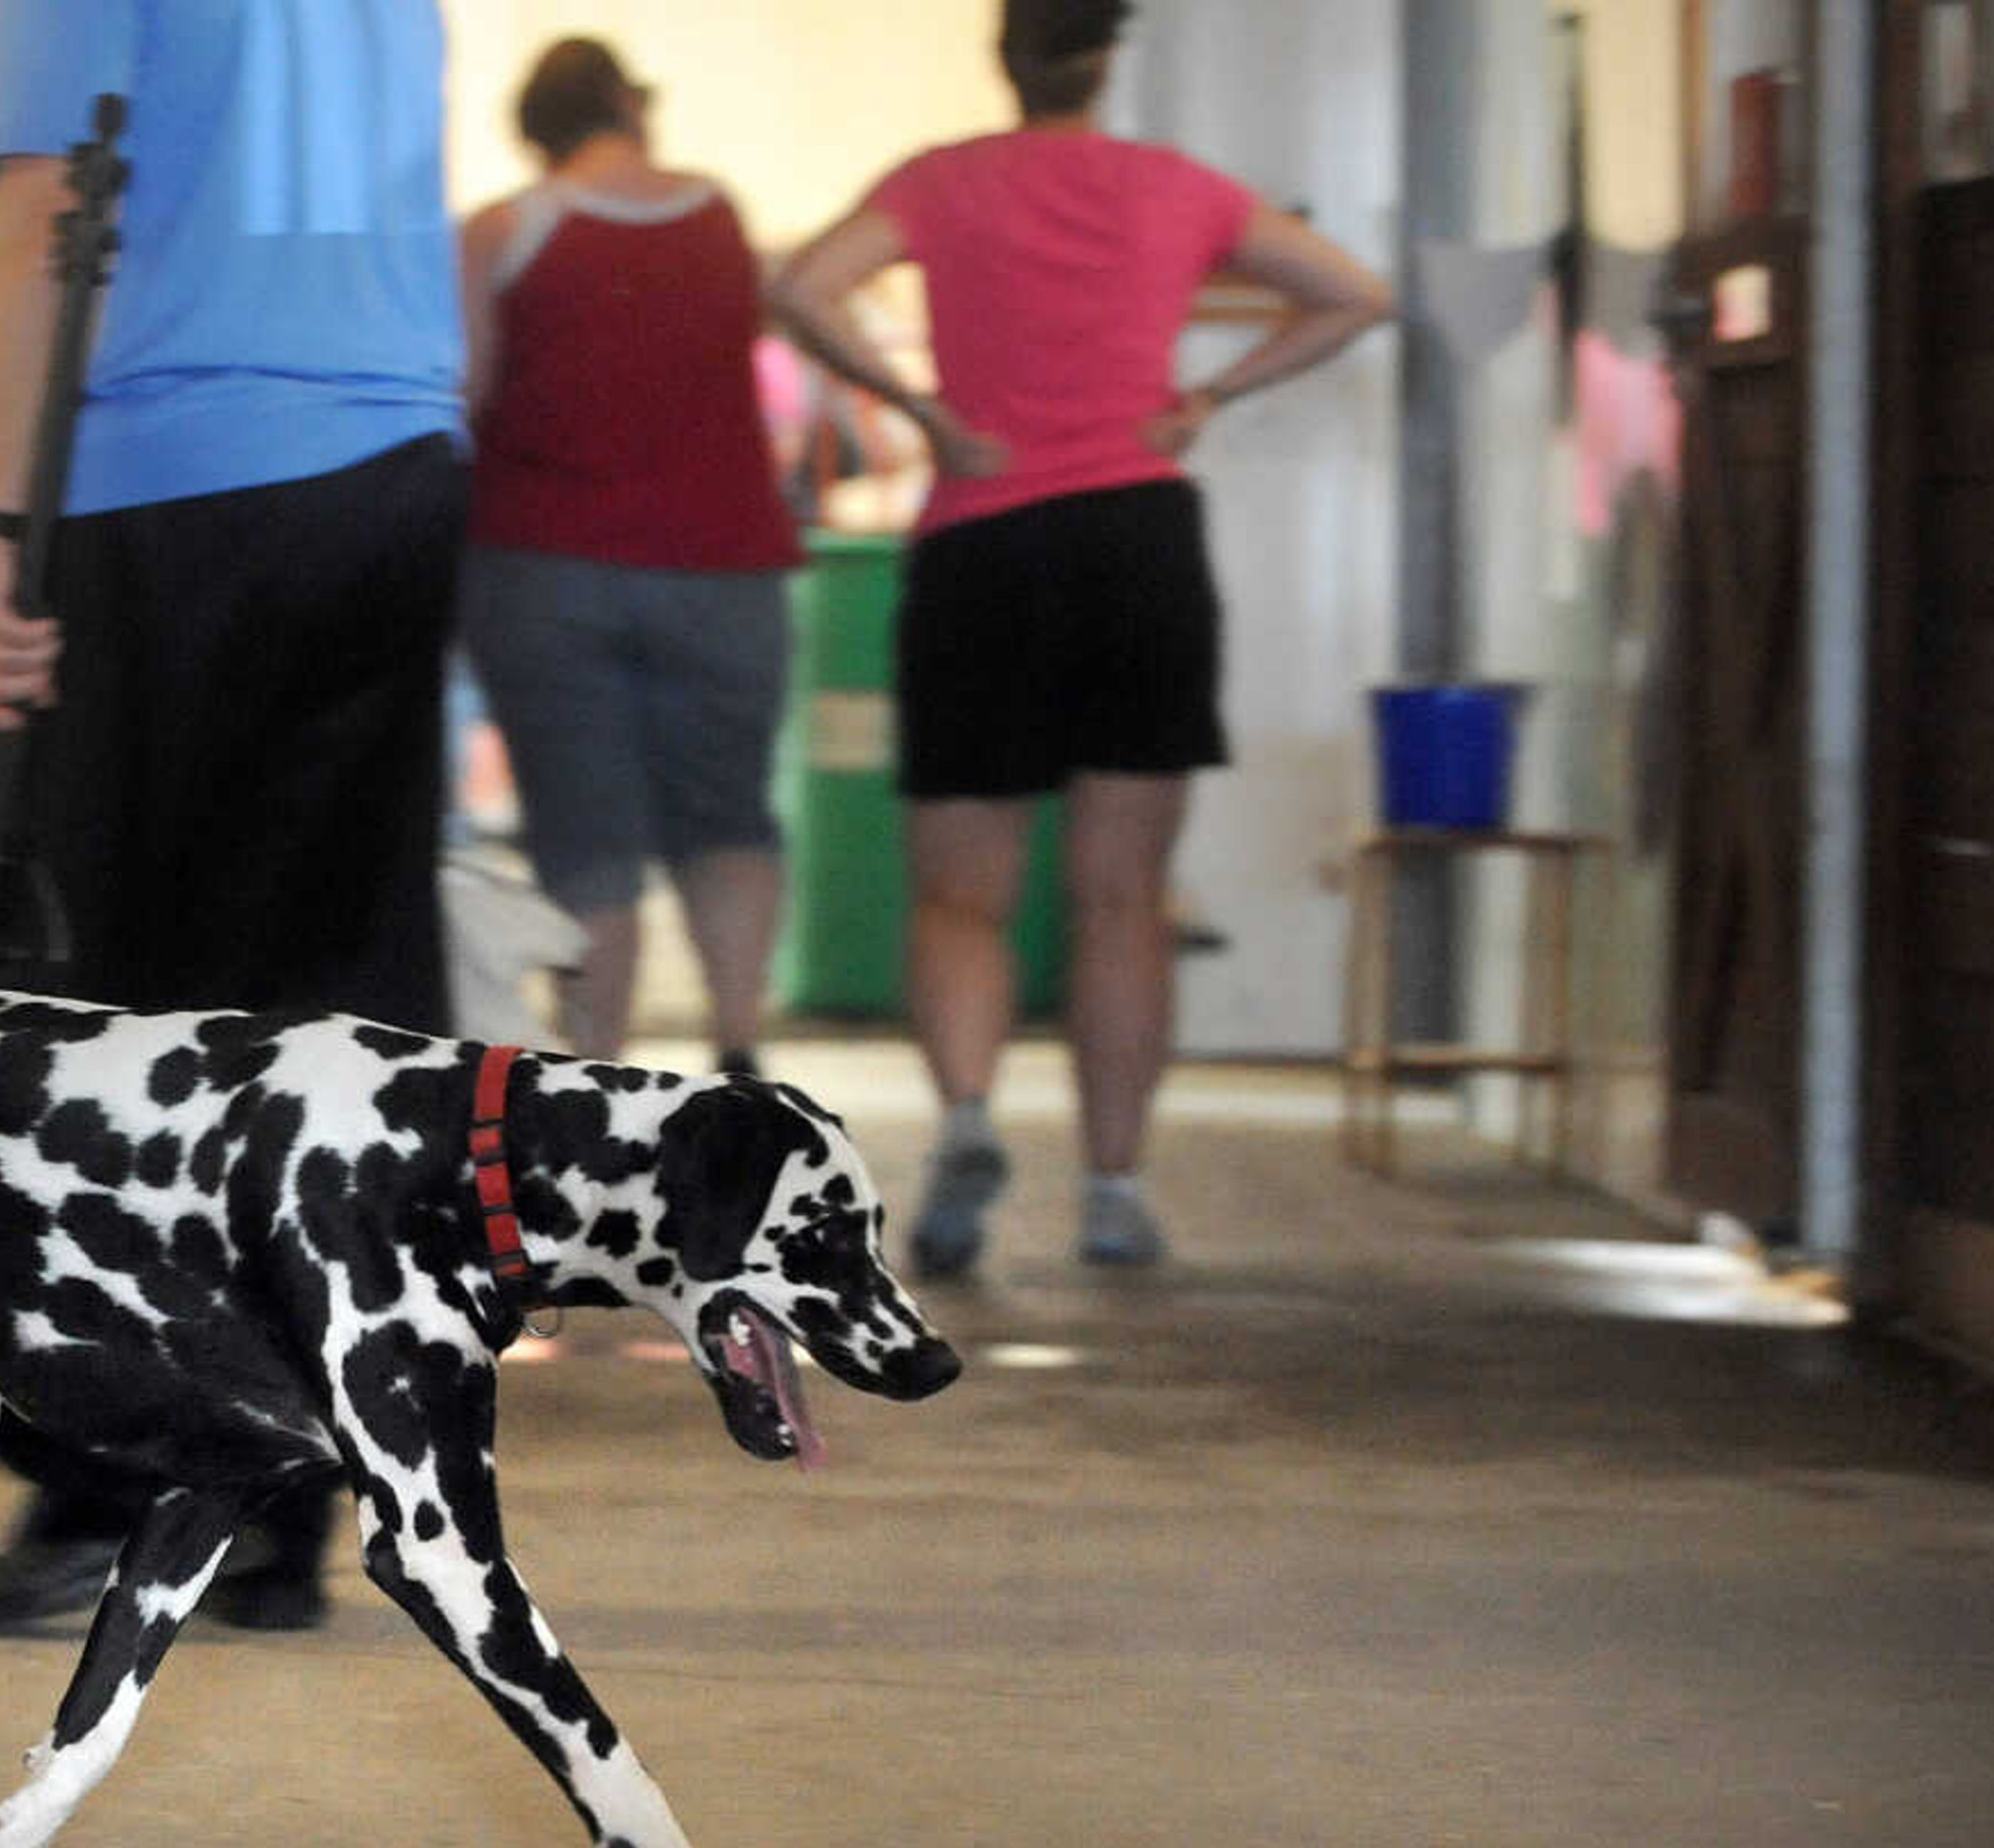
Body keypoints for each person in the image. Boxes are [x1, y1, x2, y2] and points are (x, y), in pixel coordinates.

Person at [0, 0, 469, 1635]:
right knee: (324, 1026)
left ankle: (109, 1491)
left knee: (110, 1026)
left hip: (174, 481)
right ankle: (282, 1509)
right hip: (390, 466)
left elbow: (45, 214)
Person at [768, 0, 1391, 1275]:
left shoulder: (941, 185)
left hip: (982, 546)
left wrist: (923, 412)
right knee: (1122, 897)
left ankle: (966, 1124)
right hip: (1136, 542)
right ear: (1109, 60)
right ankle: (1113, 1189)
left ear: (1005, 60)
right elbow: (1353, 293)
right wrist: (1207, 395)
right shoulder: (1175, 186)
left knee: (961, 892)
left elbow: (802, 288)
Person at [456, 38, 801, 1073]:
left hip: (546, 565)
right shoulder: (718, 212)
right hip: (723, 563)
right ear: (627, 106)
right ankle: (737, 1043)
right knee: (727, 815)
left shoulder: (502, 231)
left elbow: (466, 395)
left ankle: (597, 1076)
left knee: (584, 835)